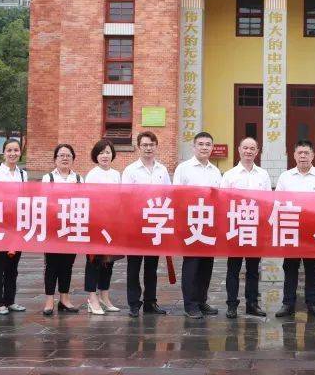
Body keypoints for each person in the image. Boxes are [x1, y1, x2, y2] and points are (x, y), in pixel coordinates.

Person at [274, 140, 315, 319]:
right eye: (300, 153)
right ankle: (288, 303)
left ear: (313, 155)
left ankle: (312, 303)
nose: (303, 156)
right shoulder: (285, 177)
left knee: (311, 267)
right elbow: (278, 202)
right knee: (289, 267)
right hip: (291, 229)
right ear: (294, 155)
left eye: (307, 153)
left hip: (313, 230)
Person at [121, 131, 171, 316]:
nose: (148, 148)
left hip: (156, 223)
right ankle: (134, 303)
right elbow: (125, 198)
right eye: (145, 145)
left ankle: (151, 302)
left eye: (151, 145)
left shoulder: (162, 170)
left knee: (152, 267)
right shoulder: (130, 170)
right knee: (133, 267)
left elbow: (167, 195)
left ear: (156, 147)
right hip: (135, 224)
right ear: (139, 147)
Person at [220, 136, 271, 318]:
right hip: (235, 228)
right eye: (245, 148)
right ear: (239, 150)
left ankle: (252, 304)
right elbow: (223, 202)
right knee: (233, 269)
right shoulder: (229, 175)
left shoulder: (263, 175)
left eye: (252, 148)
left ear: (257, 152)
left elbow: (267, 202)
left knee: (253, 269)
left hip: (255, 228)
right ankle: (232, 305)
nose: (248, 151)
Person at [174, 131, 222, 319]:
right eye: (200, 144)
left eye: (208, 144)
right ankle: (190, 304)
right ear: (194, 147)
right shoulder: (183, 168)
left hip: (209, 224)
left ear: (212, 147)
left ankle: (201, 300)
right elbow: (177, 196)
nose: (204, 147)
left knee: (206, 265)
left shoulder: (215, 171)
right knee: (192, 264)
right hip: (190, 224)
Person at [41, 143, 82, 316]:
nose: (65, 158)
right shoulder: (47, 178)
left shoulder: (79, 179)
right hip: (53, 228)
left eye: (68, 156)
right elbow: (43, 202)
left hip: (72, 227)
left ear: (73, 159)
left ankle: (64, 299)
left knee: (68, 264)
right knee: (51, 264)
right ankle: (49, 299)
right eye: (61, 155)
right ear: (55, 159)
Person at [0, 138, 27, 315]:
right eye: (9, 150)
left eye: (16, 150)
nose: (12, 153)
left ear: (20, 152)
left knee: (13, 266)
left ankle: (10, 300)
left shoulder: (23, 174)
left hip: (17, 226)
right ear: (3, 153)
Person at [84, 138, 122, 315]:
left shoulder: (116, 174)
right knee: (94, 261)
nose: (105, 155)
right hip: (96, 224)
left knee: (108, 262)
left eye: (107, 152)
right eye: (101, 152)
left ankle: (104, 296)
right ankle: (92, 297)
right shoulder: (92, 174)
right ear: (96, 156)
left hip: (112, 223)